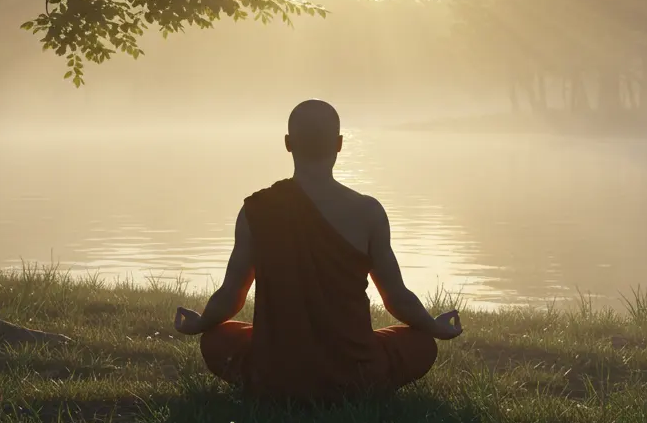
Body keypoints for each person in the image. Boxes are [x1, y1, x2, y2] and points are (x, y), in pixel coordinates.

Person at [173, 100, 463, 402]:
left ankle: (277, 384)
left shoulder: (256, 210)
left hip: (276, 374)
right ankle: (352, 389)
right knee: (422, 344)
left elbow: (232, 295)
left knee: (216, 339)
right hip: (357, 372)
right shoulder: (368, 212)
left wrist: (199, 324)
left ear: (288, 144)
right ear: (339, 144)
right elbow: (397, 298)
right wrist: (435, 327)